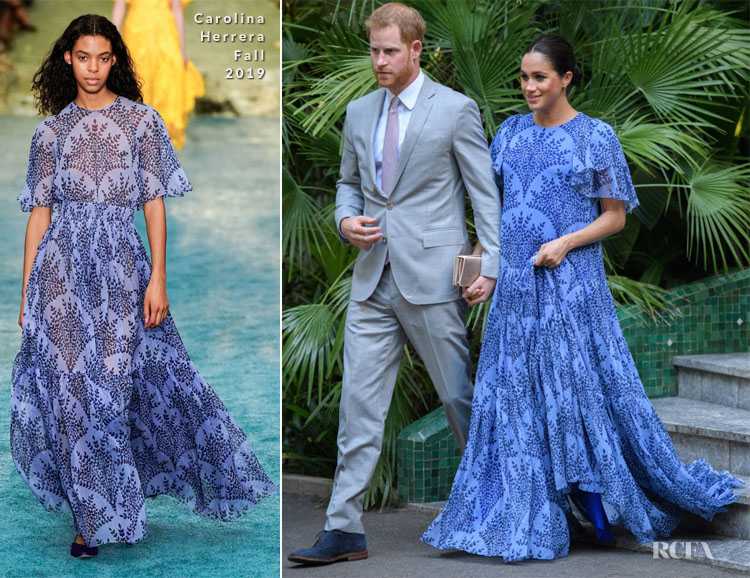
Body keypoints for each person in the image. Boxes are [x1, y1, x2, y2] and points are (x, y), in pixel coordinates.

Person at [420, 34, 743, 562]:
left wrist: (565, 243)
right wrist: (480, 273)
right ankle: (529, 507)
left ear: (566, 78)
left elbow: (615, 215)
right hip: (517, 295)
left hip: (571, 287)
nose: (528, 87)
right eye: (523, 78)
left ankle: (601, 515)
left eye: (539, 77)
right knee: (515, 400)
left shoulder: (596, 136)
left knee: (576, 398)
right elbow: (494, 218)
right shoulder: (508, 135)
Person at [11, 14, 275, 559]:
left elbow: (153, 204)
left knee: (118, 390)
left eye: (102, 57)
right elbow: (39, 215)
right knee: (70, 395)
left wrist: (157, 278)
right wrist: (25, 294)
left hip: (123, 273)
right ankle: (90, 519)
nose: (92, 67)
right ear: (67, 59)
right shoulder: (50, 133)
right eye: (82, 57)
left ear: (115, 61)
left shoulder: (142, 123)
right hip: (60, 275)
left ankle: (124, 499)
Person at [287, 2, 500, 566]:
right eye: (373, 50)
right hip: (371, 280)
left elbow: (484, 196)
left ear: (415, 50)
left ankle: (500, 505)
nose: (378, 61)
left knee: (458, 399)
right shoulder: (358, 112)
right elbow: (347, 185)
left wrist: (491, 266)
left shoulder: (455, 110)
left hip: (433, 281)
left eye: (388, 51)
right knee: (358, 408)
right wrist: (343, 220)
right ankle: (343, 529)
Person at [111, 0, 204, 149]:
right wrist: (111, 43)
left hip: (164, 31)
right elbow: (119, 6)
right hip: (137, 32)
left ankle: (156, 141)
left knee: (166, 82)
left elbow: (176, 7)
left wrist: (182, 49)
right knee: (138, 80)